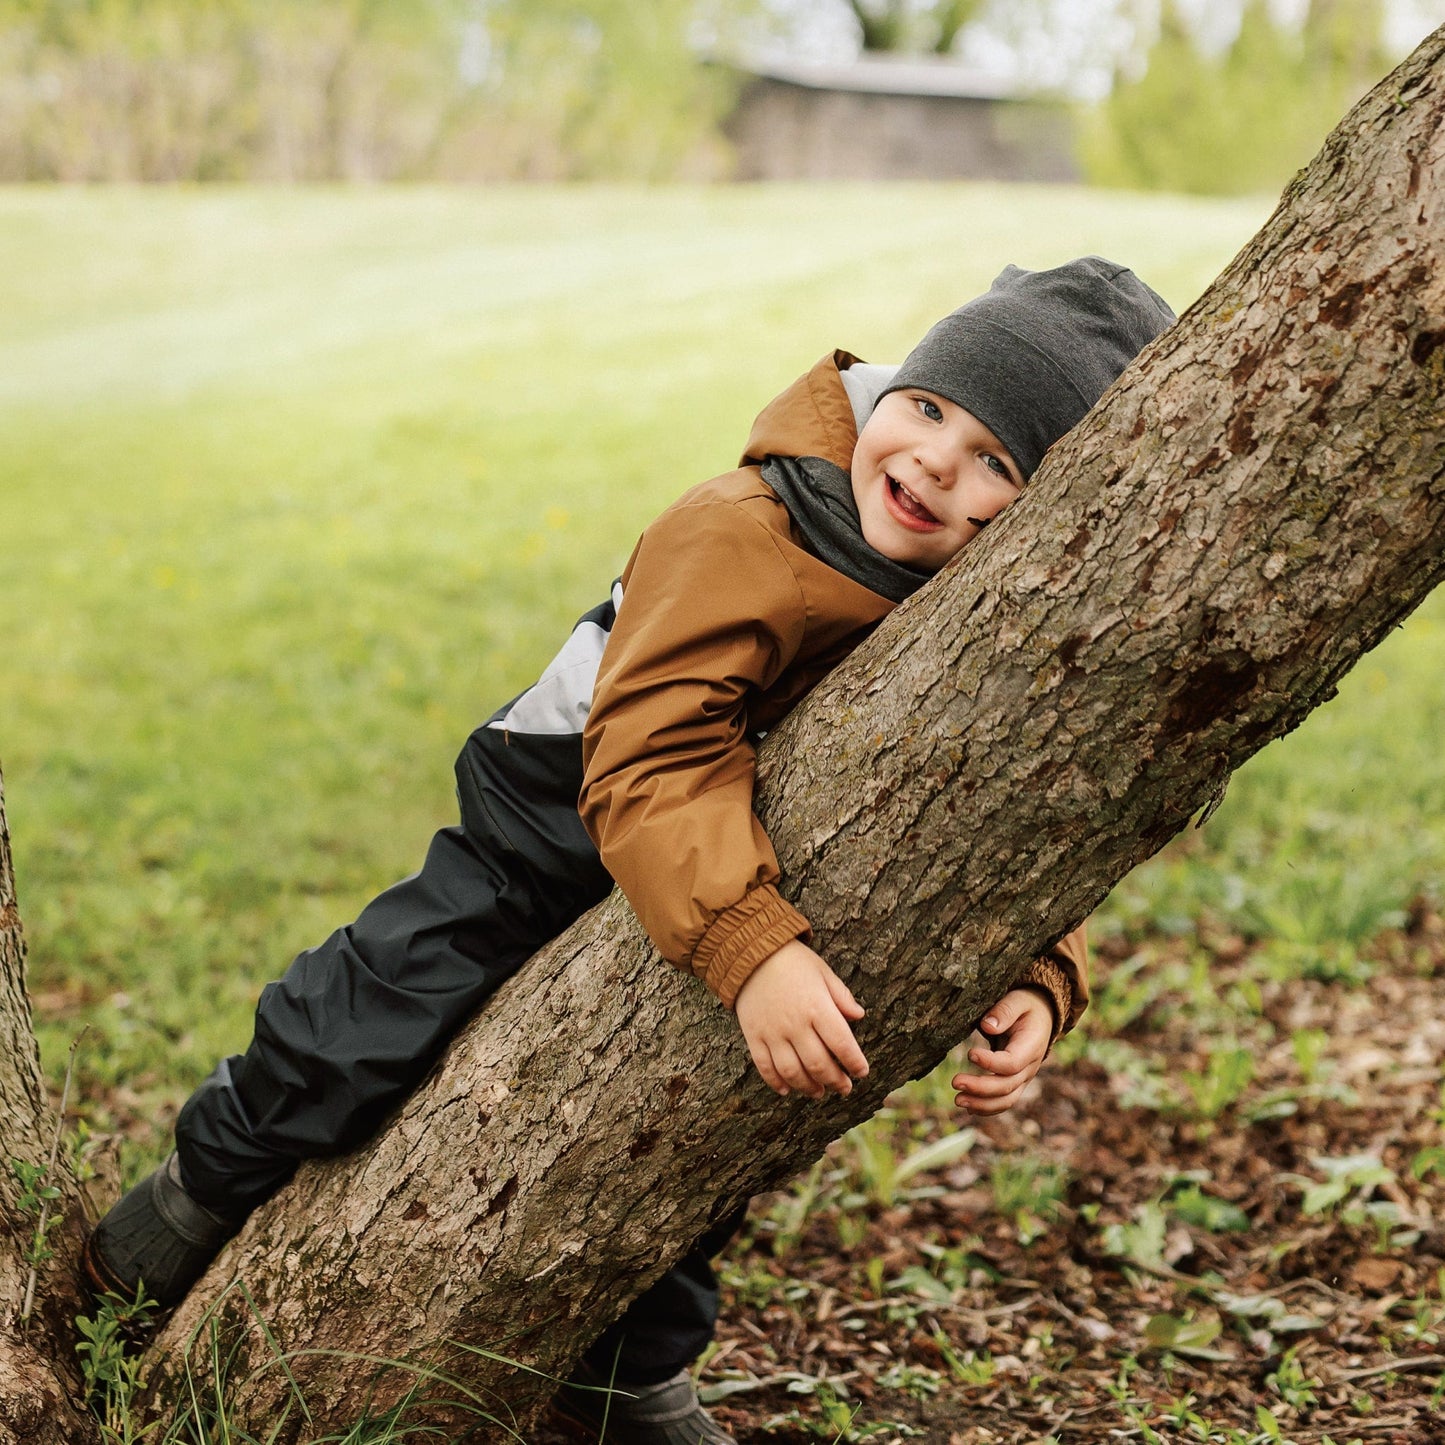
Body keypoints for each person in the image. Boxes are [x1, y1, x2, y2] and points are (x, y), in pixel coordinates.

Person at [83, 257, 1175, 1445]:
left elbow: (1004, 807)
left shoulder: (981, 605)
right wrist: (748, 944)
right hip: (559, 809)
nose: (929, 464)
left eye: (996, 463)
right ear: (894, 388)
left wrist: (1037, 966)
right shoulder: (741, 527)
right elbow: (649, 753)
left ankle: (629, 1376)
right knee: (389, 996)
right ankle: (199, 1186)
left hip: (735, 841)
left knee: (702, 1121)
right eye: (926, 408)